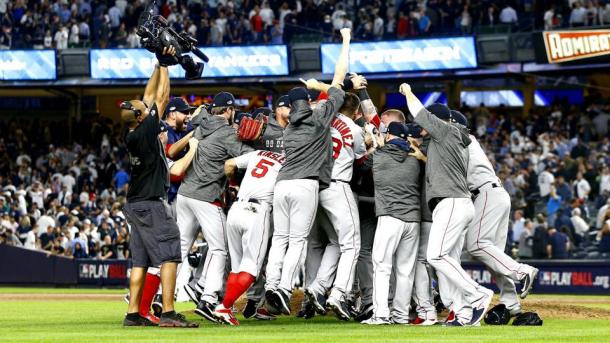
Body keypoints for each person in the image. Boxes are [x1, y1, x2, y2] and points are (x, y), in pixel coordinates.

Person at [265, 28, 351, 315]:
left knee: (280, 239)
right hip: (305, 185)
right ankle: (284, 287)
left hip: (281, 185)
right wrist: (346, 40)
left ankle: (271, 283)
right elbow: (339, 80)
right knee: (299, 241)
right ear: (309, 102)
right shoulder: (319, 117)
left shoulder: (288, 128)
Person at [400, 83, 493, 326]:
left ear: (437, 122)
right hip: (456, 203)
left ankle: (477, 294)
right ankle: (463, 313)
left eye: (427, 123)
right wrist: (422, 156)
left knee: (436, 256)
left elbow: (419, 113)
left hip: (451, 202)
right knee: (448, 259)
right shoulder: (449, 140)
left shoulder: (445, 131)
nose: (421, 126)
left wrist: (409, 92)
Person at [121, 46, 197, 328]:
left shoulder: (135, 131)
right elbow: (161, 97)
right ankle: (167, 312)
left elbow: (149, 97)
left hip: (135, 203)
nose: (146, 104)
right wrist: (166, 65)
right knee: (169, 254)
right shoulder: (145, 130)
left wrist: (157, 66)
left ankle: (133, 314)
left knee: (139, 261)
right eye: (144, 109)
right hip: (152, 203)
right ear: (142, 118)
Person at [176, 90, 254, 323]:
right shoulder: (228, 132)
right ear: (229, 110)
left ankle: (161, 296)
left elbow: (197, 117)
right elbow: (251, 157)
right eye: (233, 110)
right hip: (206, 197)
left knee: (179, 247)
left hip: (184, 194)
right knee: (219, 249)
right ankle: (207, 296)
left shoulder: (202, 124)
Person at [458, 110, 538, 321]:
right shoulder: (468, 140)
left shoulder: (461, 138)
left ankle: (522, 271)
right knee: (494, 256)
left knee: (476, 244)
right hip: (495, 193)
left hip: (486, 193)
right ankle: (512, 304)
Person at [304, 91, 366, 321]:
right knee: (352, 244)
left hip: (314, 187)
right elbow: (360, 159)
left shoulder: (322, 117)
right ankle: (339, 293)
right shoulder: (354, 127)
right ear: (356, 112)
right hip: (338, 186)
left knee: (335, 241)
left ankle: (318, 286)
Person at [211, 148, 285, 326]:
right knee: (252, 268)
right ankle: (224, 307)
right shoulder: (288, 162)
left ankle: (226, 309)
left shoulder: (259, 153)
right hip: (257, 211)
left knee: (237, 268)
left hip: (236, 208)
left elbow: (229, 164)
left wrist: (233, 183)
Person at [362, 122, 421, 325]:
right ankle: (401, 315)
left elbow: (360, 166)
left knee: (382, 267)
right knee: (405, 271)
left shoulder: (379, 156)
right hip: (413, 220)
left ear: (388, 137)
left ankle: (380, 315)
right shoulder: (415, 159)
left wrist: (374, 140)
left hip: (390, 218)